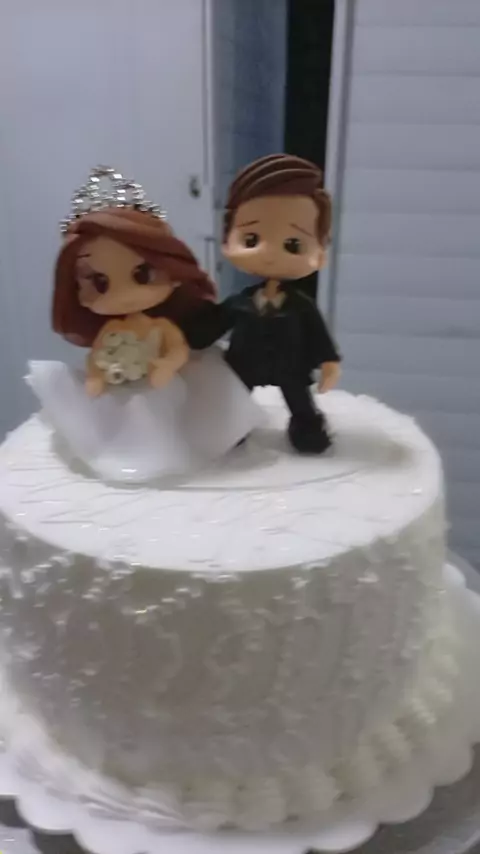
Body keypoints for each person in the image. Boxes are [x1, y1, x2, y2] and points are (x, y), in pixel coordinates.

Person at [28, 166, 261, 482]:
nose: (124, 295)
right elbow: (97, 357)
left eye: (142, 275)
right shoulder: (111, 330)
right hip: (120, 390)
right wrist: (96, 376)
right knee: (120, 425)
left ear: (173, 272)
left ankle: (169, 456)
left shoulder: (161, 327)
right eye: (99, 282)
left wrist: (167, 365)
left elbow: (177, 349)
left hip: (162, 387)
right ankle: (125, 455)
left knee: (163, 418)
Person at [185, 154, 341, 454]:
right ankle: (232, 428)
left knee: (299, 400)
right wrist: (191, 339)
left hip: (290, 365)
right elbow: (213, 325)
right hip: (246, 363)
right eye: (251, 239)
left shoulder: (301, 305)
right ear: (227, 242)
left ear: (320, 254)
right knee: (234, 397)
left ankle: (307, 428)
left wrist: (329, 363)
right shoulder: (240, 302)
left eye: (293, 244)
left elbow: (317, 333)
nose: (269, 253)